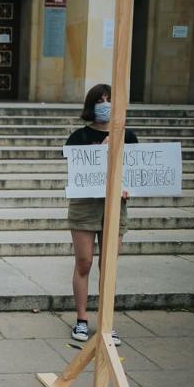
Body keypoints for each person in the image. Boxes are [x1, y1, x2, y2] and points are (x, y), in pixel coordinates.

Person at [64, 84, 138, 346]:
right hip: (85, 205)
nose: (105, 104)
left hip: (114, 206)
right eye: (100, 100)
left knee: (108, 266)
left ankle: (106, 322)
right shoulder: (78, 137)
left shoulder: (127, 136)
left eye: (109, 99)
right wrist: (101, 149)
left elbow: (134, 170)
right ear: (90, 105)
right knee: (84, 262)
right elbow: (76, 170)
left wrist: (128, 188)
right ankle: (82, 319)